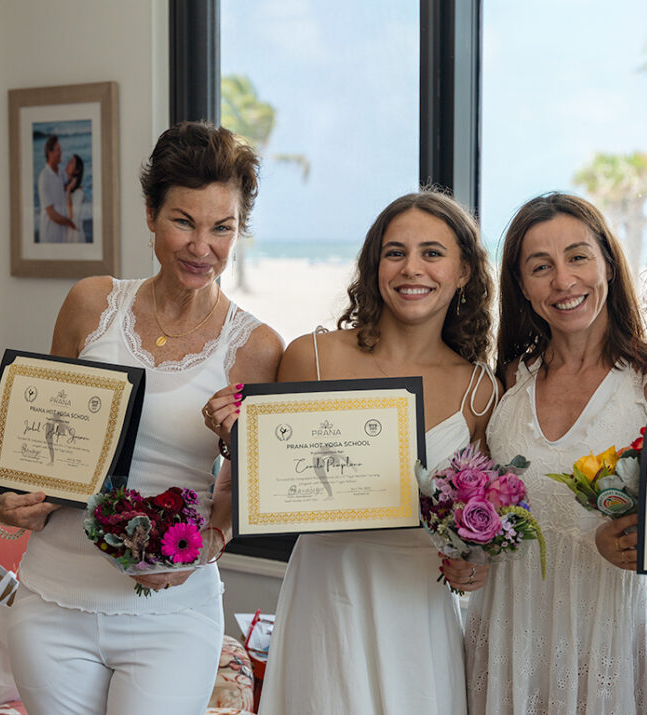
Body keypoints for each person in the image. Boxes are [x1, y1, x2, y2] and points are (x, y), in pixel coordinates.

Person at [0, 121, 283, 715]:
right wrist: (12, 502)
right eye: (183, 221)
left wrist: (207, 544)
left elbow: (240, 491)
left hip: (172, 614)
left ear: (239, 230)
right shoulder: (90, 303)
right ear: (151, 214)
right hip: (53, 598)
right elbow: (40, 437)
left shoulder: (257, 348)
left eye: (222, 227)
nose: (201, 247)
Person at [255, 190, 497, 715]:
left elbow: (478, 523)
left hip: (419, 604)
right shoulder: (310, 358)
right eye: (395, 252)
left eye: (432, 253)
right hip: (327, 594)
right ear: (374, 266)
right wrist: (230, 430)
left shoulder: (480, 391)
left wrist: (474, 564)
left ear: (464, 272)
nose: (412, 268)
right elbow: (265, 479)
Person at [464, 193, 647, 715]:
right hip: (507, 631)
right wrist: (467, 554)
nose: (563, 280)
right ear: (522, 286)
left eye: (578, 257)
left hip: (608, 635)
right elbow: (485, 503)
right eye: (540, 266)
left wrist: (634, 539)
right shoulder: (508, 380)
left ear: (608, 262)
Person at [37, 135, 76, 243]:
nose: (61, 152)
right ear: (50, 153)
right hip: (49, 236)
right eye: (58, 149)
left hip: (62, 234)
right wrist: (69, 223)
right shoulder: (44, 177)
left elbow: (67, 190)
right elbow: (51, 213)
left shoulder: (62, 173)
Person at [64, 154, 86, 243]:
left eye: (72, 162)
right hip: (66, 234)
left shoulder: (79, 193)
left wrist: (68, 190)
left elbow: (71, 215)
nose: (68, 163)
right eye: (69, 160)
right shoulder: (64, 187)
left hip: (75, 236)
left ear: (77, 171)